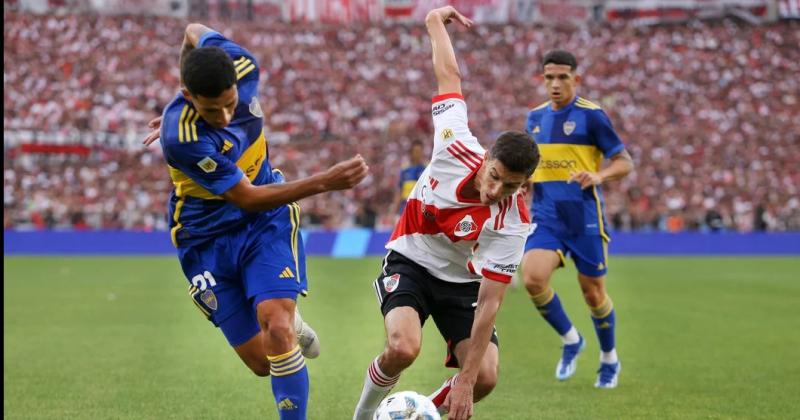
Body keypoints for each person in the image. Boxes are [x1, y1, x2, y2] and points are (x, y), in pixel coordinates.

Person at [145, 23, 368, 419]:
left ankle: (284, 318)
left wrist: (180, 102)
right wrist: (324, 182)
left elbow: (193, 29)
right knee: (264, 361)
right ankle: (288, 319)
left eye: (231, 103)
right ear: (188, 96)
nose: (226, 116)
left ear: (237, 80)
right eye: (210, 110)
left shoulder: (246, 66)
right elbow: (245, 197)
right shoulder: (182, 138)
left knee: (276, 328)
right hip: (205, 236)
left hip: (265, 221)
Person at [352, 7, 540, 420]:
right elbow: (449, 77)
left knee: (486, 375)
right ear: (486, 156)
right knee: (403, 348)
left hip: (462, 282)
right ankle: (363, 417)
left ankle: (423, 413)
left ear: (523, 185)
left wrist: (467, 383)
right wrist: (434, 21)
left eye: (510, 186)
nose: (496, 190)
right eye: (495, 176)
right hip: (411, 258)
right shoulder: (454, 142)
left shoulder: (514, 220)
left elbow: (490, 303)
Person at [520, 49, 634, 389]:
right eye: (549, 77)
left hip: (583, 217)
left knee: (593, 294)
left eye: (562, 77)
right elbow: (533, 163)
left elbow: (625, 161)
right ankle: (571, 339)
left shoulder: (593, 116)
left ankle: (609, 358)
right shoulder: (534, 118)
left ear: (576, 79)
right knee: (532, 278)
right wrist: (525, 178)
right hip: (547, 215)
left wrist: (599, 176)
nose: (555, 84)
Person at [389, 140, 427, 220]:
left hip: (420, 211)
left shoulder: (426, 171)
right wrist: (393, 211)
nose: (418, 154)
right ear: (411, 153)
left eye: (420, 151)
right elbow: (399, 192)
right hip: (405, 209)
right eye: (416, 151)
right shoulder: (405, 171)